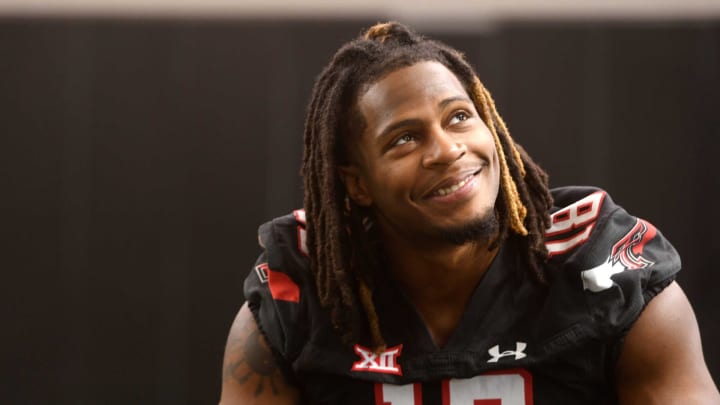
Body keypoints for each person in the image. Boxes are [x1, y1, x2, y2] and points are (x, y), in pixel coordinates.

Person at [219, 22, 720, 404]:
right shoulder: (298, 294)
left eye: (459, 117)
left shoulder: (606, 268)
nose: (447, 150)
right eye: (405, 138)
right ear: (358, 183)